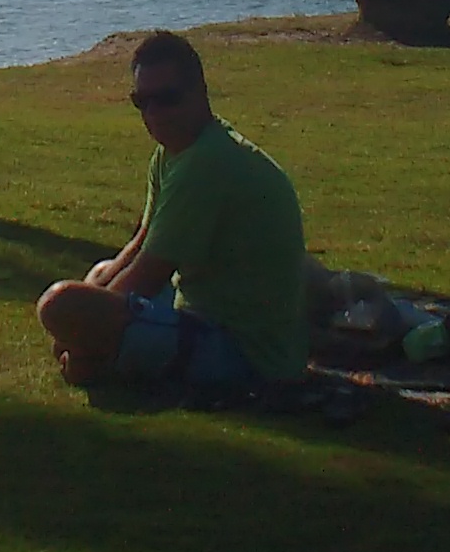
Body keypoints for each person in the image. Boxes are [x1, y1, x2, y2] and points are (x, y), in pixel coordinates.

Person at [35, 29, 307, 393]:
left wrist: (83, 325)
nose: (153, 113)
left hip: (244, 352)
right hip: (202, 314)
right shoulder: (173, 153)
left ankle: (93, 361)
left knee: (59, 304)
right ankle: (96, 355)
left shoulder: (207, 162)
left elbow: (150, 274)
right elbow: (142, 242)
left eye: (166, 99)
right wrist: (88, 317)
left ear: (200, 92)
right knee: (99, 275)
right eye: (142, 101)